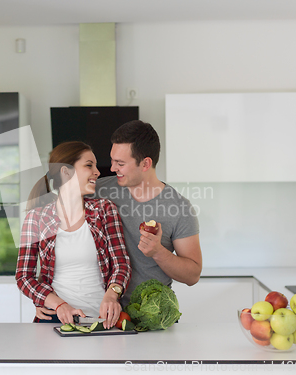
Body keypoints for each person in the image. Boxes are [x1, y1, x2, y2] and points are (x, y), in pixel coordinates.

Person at [35, 121, 201, 320]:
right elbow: (55, 238)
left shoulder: (179, 208)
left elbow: (192, 275)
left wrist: (158, 252)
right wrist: (45, 298)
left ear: (146, 164)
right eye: (112, 160)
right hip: (98, 314)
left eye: (120, 163)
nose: (112, 168)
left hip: (149, 315)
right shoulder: (96, 191)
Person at [15, 141, 131, 329]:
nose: (97, 172)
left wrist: (112, 295)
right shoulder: (35, 218)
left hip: (103, 321)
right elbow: (23, 276)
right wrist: (58, 304)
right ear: (66, 171)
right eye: (88, 165)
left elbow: (121, 263)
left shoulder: (104, 210)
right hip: (55, 321)